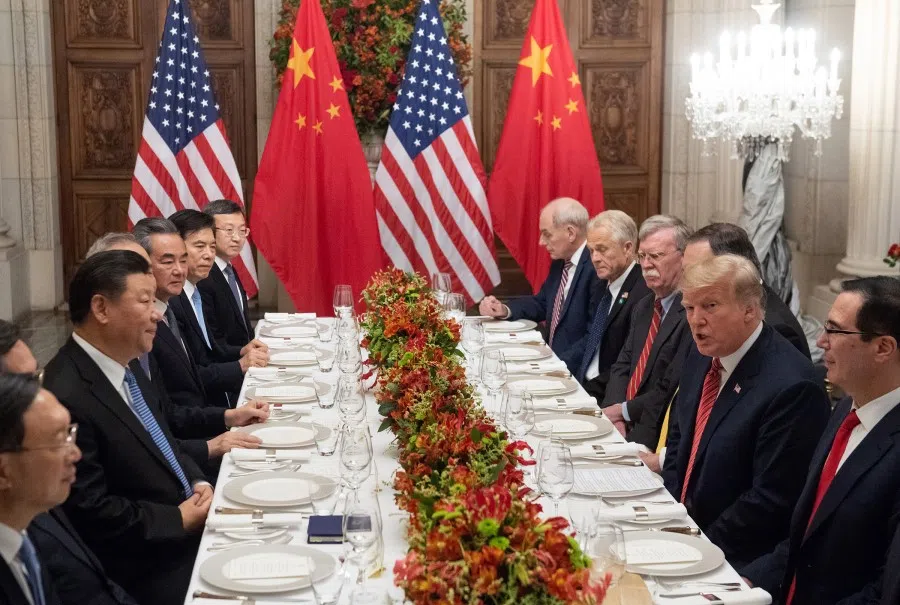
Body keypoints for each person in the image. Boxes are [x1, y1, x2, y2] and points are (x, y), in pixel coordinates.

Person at [42, 251, 211, 605]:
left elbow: (166, 441)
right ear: (101, 309)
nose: (157, 313)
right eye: (145, 301)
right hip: (148, 565)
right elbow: (90, 510)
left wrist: (197, 481)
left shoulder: (125, 363)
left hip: (186, 524)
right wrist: (176, 520)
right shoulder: (66, 394)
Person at [662, 255, 829, 570]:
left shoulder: (792, 386)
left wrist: (698, 546)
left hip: (735, 557)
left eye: (710, 306)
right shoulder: (703, 353)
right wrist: (669, 514)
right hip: (681, 531)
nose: (696, 320)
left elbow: (769, 500)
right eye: (689, 308)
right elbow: (680, 436)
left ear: (749, 310)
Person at [742, 276, 900, 604]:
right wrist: (743, 581)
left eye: (835, 330)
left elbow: (887, 590)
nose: (821, 340)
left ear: (883, 348)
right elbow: (805, 537)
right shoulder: (845, 409)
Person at [132, 218, 266, 474]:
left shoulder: (171, 307)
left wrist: (229, 416)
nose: (180, 270)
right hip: (187, 453)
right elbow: (161, 421)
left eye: (183, 260)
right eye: (168, 261)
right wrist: (211, 445)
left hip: (198, 431)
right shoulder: (143, 328)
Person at [478, 197, 599, 372]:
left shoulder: (596, 267)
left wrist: (554, 365)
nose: (541, 242)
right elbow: (542, 303)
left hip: (574, 372)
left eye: (547, 234)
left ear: (571, 233)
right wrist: (504, 309)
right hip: (553, 362)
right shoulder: (562, 261)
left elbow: (593, 336)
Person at [602, 215, 693, 448]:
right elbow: (623, 364)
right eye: (642, 256)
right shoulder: (644, 306)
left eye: (655, 256)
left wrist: (623, 411)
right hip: (623, 424)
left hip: (657, 434)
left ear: (684, 257)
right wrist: (615, 412)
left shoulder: (692, 313)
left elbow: (669, 388)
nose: (646, 264)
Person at [168, 210, 267, 407]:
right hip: (199, 411)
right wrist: (239, 365)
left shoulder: (193, 293)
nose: (209, 254)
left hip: (217, 399)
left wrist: (242, 351)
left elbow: (211, 351)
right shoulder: (172, 303)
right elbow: (185, 377)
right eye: (199, 246)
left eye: (212, 247)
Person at [683, 223, 810, 358]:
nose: (687, 279)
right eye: (685, 271)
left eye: (698, 270)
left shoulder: (778, 330)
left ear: (732, 266)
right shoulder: (698, 309)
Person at [574, 211, 651, 402]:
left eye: (602, 249)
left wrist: (584, 393)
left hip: (608, 395)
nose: (595, 258)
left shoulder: (643, 292)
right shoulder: (602, 284)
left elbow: (628, 363)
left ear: (627, 248)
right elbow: (591, 339)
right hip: (584, 382)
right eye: (591, 251)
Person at [199, 199, 255, 353]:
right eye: (229, 230)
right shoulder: (203, 276)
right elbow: (213, 340)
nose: (237, 238)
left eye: (242, 230)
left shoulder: (229, 268)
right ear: (209, 232)